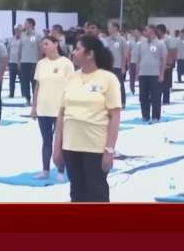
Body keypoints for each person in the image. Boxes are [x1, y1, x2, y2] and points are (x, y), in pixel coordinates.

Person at [52, 35, 121, 202]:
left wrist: (109, 150)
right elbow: (62, 114)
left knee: (96, 191)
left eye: (77, 49)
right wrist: (57, 147)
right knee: (77, 191)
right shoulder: (72, 78)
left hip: (95, 146)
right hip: (71, 146)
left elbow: (115, 117)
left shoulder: (108, 79)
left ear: (90, 54)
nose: (73, 52)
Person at [30, 36, 75, 181]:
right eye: (42, 45)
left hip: (60, 109)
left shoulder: (66, 63)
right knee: (46, 141)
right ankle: (45, 170)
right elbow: (37, 86)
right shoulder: (41, 64)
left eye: (46, 44)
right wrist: (34, 107)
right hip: (43, 108)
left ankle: (61, 171)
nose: (43, 47)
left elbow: (72, 86)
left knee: (60, 141)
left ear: (56, 44)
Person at [136, 25, 167, 123]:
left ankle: (155, 116)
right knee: (143, 96)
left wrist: (161, 74)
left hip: (155, 74)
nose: (144, 32)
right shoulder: (141, 44)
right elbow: (139, 59)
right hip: (143, 74)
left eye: (146, 30)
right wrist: (138, 72)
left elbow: (164, 59)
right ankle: (145, 115)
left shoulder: (160, 43)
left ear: (152, 31)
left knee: (155, 96)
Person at [18, 18, 41, 106]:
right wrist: (19, 61)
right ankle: (27, 99)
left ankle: (36, 100)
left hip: (34, 62)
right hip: (24, 62)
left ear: (31, 24)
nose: (24, 24)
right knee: (25, 82)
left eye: (26, 23)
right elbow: (20, 49)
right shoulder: (22, 35)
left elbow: (40, 49)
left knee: (34, 82)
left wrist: (39, 61)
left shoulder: (37, 35)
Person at [106, 22, 128, 108]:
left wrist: (123, 66)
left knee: (119, 85)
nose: (108, 29)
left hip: (118, 66)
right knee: (108, 85)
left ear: (115, 28)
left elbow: (124, 54)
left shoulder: (122, 40)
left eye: (109, 27)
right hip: (108, 66)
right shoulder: (106, 40)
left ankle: (122, 102)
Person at [156, 24, 177, 105]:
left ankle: (165, 100)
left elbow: (172, 51)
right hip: (160, 63)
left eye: (157, 31)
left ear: (160, 31)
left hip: (167, 63)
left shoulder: (168, 39)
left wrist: (169, 63)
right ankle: (158, 98)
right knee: (159, 82)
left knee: (166, 83)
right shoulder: (159, 39)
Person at [8, 25, 22, 98]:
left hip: (20, 62)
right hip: (12, 62)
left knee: (22, 80)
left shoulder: (23, 39)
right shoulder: (11, 39)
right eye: (15, 30)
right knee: (11, 79)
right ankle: (11, 94)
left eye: (18, 30)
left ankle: (24, 94)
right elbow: (8, 50)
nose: (17, 31)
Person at [127, 28, 141, 94]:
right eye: (134, 32)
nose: (135, 34)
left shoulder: (143, 41)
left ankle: (142, 90)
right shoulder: (131, 41)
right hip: (132, 61)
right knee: (132, 76)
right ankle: (132, 90)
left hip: (140, 62)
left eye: (136, 32)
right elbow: (129, 52)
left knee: (140, 77)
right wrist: (128, 61)